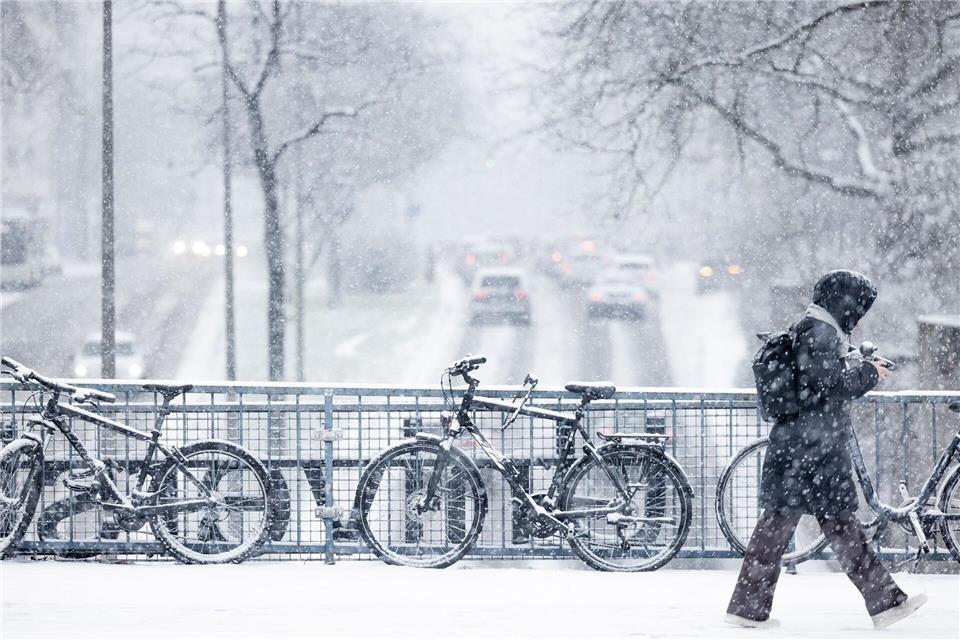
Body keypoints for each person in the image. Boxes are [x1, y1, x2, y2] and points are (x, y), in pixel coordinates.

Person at [725, 270, 927, 630]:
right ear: (844, 302)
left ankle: (748, 608)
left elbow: (817, 380)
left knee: (794, 527)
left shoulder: (815, 328)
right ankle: (885, 603)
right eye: (859, 307)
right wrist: (869, 374)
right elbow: (829, 385)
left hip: (803, 447)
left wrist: (855, 363)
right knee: (827, 527)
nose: (860, 315)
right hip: (812, 449)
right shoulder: (819, 333)